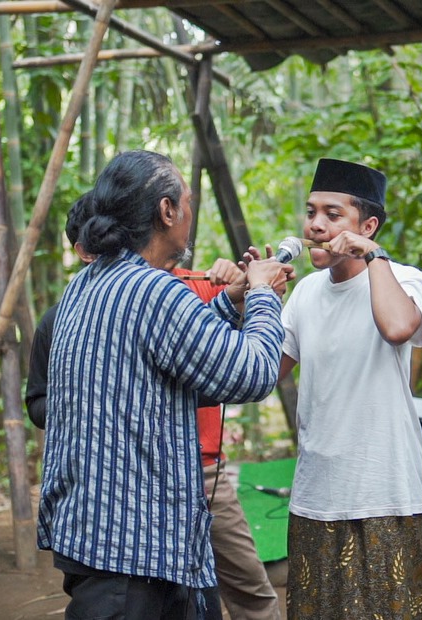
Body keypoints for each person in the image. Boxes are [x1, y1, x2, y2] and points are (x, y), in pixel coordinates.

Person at [36, 150, 292, 619]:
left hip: (104, 539)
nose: (190, 213)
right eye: (188, 201)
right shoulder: (154, 290)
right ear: (167, 210)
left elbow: (173, 357)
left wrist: (231, 302)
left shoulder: (90, 284)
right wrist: (260, 296)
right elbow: (252, 374)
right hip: (131, 550)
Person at [275, 158, 422, 619]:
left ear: (367, 226)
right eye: (311, 213)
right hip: (315, 495)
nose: (316, 226)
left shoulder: (402, 278)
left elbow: (399, 326)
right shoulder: (305, 292)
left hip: (385, 490)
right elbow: (266, 373)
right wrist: (254, 297)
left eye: (332, 214)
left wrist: (373, 255)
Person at [174, 262, 284, 620]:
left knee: (249, 585)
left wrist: (247, 292)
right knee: (167, 591)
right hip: (151, 468)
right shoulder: (130, 292)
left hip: (206, 468)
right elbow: (252, 374)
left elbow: (232, 354)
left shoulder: (200, 281)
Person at [25, 190, 94, 430]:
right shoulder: (55, 321)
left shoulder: (149, 305)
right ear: (84, 252)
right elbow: (36, 403)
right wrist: (80, 401)